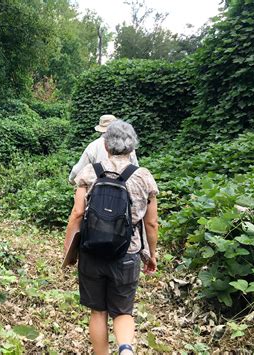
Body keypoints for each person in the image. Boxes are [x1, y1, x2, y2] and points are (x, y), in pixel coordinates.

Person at [64, 120, 159, 355]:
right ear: (132, 147)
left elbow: (77, 214)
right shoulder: (143, 177)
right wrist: (151, 255)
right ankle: (126, 349)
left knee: (98, 311)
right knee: (123, 311)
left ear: (105, 145)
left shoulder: (89, 172)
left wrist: (68, 252)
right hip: (127, 253)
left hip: (92, 252)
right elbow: (151, 223)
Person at [68, 115, 138, 186]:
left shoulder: (94, 145)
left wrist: (72, 181)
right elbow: (135, 170)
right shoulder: (128, 145)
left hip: (97, 190)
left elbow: (78, 170)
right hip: (123, 190)